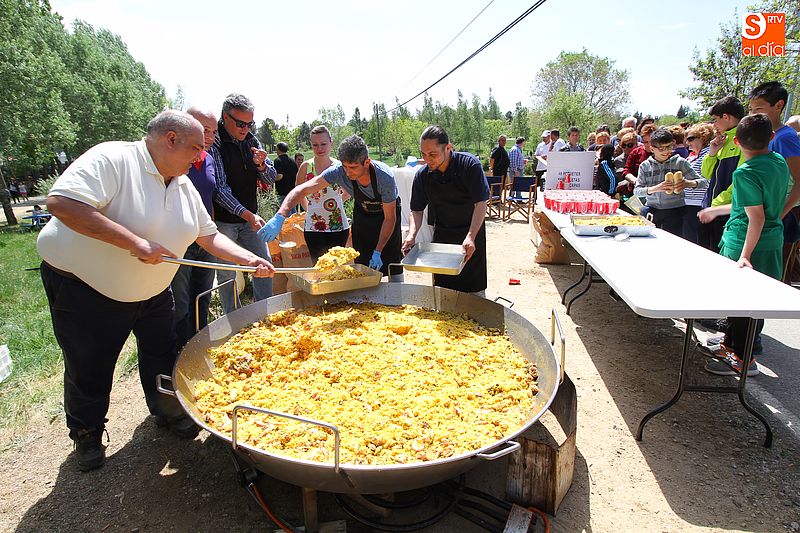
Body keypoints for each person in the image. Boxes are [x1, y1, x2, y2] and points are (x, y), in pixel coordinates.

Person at [36, 110, 276, 472]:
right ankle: (87, 432)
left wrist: (248, 259)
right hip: (86, 287)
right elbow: (62, 203)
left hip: (154, 289)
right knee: (90, 363)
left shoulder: (182, 184)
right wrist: (135, 242)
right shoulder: (114, 158)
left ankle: (166, 410)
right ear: (170, 139)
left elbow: (208, 236)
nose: (201, 155)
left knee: (162, 351)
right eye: (195, 147)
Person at [700, 114, 791, 376]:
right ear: (771, 137)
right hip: (770, 240)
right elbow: (751, 205)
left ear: (737, 142)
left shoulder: (745, 172)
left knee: (745, 302)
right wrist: (716, 211)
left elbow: (756, 217)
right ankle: (731, 344)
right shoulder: (778, 162)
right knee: (748, 301)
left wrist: (745, 255)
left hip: (746, 243)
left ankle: (742, 358)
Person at [261, 135, 400, 275]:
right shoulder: (338, 171)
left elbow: (390, 218)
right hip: (363, 212)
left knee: (391, 261)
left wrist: (378, 251)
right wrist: (280, 215)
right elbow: (302, 189)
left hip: (387, 214)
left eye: (353, 167)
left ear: (367, 162)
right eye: (345, 167)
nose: (348, 172)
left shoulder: (384, 177)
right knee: (362, 261)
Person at [402, 125, 490, 294]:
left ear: (448, 148)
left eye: (432, 154)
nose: (427, 160)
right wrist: (412, 234)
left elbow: (481, 202)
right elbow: (416, 210)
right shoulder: (423, 175)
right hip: (442, 237)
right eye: (423, 154)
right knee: (443, 291)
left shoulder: (469, 165)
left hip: (471, 234)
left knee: (474, 294)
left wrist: (471, 236)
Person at [210, 93, 276, 314]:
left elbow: (270, 178)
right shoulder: (215, 142)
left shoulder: (252, 141)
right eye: (240, 124)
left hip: (250, 219)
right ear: (225, 116)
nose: (245, 129)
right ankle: (232, 318)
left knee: (264, 263)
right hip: (224, 221)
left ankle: (264, 313)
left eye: (250, 124)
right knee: (227, 272)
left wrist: (261, 166)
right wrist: (247, 214)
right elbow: (220, 189)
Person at [170, 107, 220, 351]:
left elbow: (212, 197)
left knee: (202, 297)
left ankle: (199, 348)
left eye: (213, 131)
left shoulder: (209, 159)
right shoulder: (174, 161)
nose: (209, 136)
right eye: (204, 130)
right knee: (180, 303)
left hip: (206, 239)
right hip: (181, 242)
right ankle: (180, 353)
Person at [747, 81, 800, 284]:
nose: (753, 115)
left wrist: (779, 214)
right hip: (765, 214)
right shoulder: (764, 137)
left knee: (776, 278)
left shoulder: (785, 138)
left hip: (783, 216)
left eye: (759, 109)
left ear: (778, 105)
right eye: (751, 110)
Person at [632, 127, 706, 236]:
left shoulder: (680, 162)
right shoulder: (645, 166)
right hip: (652, 209)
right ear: (652, 149)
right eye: (662, 148)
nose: (666, 151)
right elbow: (637, 191)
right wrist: (656, 188)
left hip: (676, 211)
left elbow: (703, 182)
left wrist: (688, 183)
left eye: (669, 147)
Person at [293, 125, 350, 262]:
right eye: (315, 145)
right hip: (313, 227)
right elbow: (298, 192)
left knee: (337, 265)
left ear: (331, 143)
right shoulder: (306, 167)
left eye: (323, 144)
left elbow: (348, 191)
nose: (320, 148)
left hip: (338, 226)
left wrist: (336, 203)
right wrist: (309, 208)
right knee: (319, 266)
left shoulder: (339, 167)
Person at [698, 96, 745, 252]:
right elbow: (706, 174)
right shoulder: (721, 140)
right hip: (712, 211)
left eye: (715, 120)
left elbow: (741, 182)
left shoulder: (743, 141)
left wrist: (716, 205)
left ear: (726, 117)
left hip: (726, 213)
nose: (714, 124)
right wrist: (712, 152)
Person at [683, 123, 714, 243]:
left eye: (691, 138)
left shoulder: (708, 155)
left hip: (697, 205)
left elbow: (707, 180)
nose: (687, 142)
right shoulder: (693, 156)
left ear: (703, 137)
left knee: (694, 242)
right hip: (687, 204)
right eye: (686, 139)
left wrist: (688, 183)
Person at [620, 123, 658, 195]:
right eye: (645, 142)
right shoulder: (636, 152)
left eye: (651, 142)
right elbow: (626, 171)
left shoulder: (662, 153)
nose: (649, 145)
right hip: (638, 191)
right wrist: (636, 181)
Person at [273, 141, 299, 213]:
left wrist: (271, 179)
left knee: (284, 213)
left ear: (278, 149)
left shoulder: (278, 160)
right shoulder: (292, 161)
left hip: (282, 191)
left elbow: (279, 176)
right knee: (293, 213)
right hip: (292, 191)